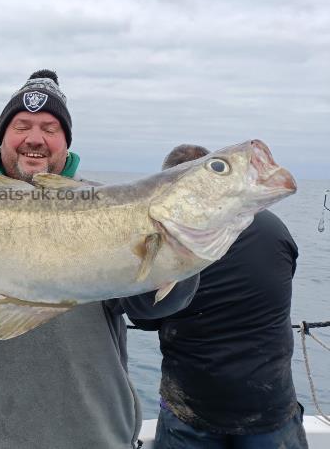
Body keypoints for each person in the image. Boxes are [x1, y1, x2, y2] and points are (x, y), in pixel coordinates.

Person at [0, 70, 200, 449]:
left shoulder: (115, 207)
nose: (35, 138)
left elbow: (148, 310)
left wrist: (177, 258)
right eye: (22, 125)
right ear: (2, 137)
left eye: (50, 128)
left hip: (93, 432)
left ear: (66, 142)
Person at [130, 144, 308, 449]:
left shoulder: (174, 245)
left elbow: (145, 317)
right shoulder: (275, 228)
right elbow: (285, 276)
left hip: (192, 408)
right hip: (271, 402)